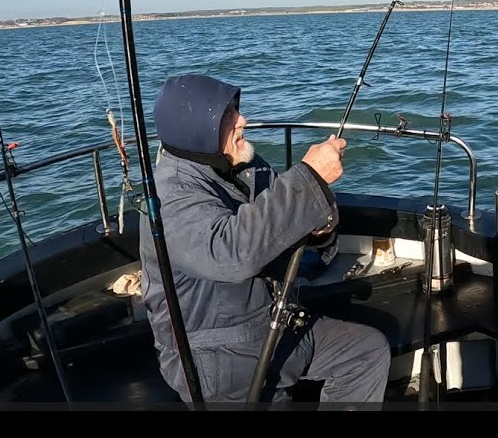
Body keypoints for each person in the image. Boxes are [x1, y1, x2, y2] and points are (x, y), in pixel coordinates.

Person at [137, 73, 391, 409]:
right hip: (217, 357)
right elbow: (229, 254)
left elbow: (280, 225)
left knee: (365, 353)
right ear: (197, 129)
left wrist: (318, 230)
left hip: (271, 323)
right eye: (228, 116)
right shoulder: (171, 194)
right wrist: (310, 177)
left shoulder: (244, 166)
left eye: (236, 110)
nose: (243, 120)